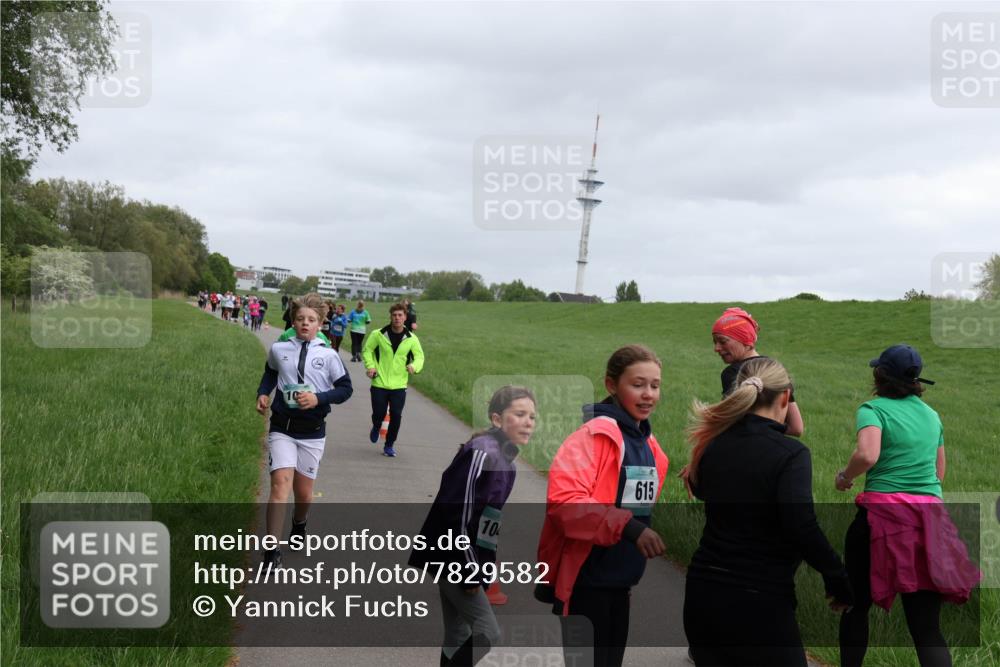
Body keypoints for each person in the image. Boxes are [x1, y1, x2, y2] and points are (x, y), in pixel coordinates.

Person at [682, 356, 852, 666]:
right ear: (785, 396)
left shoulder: (712, 443)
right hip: (758, 600)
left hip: (702, 594)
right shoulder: (791, 454)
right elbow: (800, 523)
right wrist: (837, 577)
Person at [835, 344, 980, 667]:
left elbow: (868, 455)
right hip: (929, 523)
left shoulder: (872, 410)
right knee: (926, 628)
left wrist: (844, 477)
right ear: (916, 379)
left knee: (856, 606)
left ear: (880, 375)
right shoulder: (932, 416)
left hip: (879, 520)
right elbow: (938, 473)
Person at [535, 344, 669, 667]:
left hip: (620, 582)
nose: (648, 394)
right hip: (586, 581)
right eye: (637, 384)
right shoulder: (593, 437)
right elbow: (565, 504)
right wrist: (630, 528)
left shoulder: (647, 443)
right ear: (611, 385)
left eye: (655, 385)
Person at [409, 386, 537, 666]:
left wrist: (485, 567)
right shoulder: (482, 453)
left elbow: (487, 526)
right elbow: (457, 515)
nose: (528, 422)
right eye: (519, 414)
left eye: (532, 416)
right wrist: (469, 570)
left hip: (464, 559)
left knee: (458, 634)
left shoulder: (508, 465)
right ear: (496, 419)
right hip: (451, 557)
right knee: (489, 634)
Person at [255, 293, 353, 568]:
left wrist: (318, 399)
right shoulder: (279, 348)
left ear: (321, 323)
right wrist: (263, 393)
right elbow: (270, 372)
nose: (305, 324)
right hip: (282, 427)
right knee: (279, 485)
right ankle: (271, 551)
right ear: (293, 321)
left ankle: (299, 524)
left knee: (304, 493)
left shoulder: (329, 355)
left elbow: (346, 389)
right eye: (300, 319)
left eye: (311, 320)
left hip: (312, 431)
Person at [711, 306, 804, 436]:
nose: (716, 348)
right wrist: (771, 432)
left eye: (723, 341)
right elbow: (796, 428)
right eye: (714, 342)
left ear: (746, 340)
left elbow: (726, 422)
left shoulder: (733, 373)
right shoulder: (776, 369)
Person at [362, 302, 424, 457]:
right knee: (379, 413)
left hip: (399, 384)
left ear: (405, 317)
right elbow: (367, 350)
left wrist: (414, 367)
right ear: (390, 316)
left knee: (396, 415)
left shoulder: (411, 338)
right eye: (394, 315)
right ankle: (376, 426)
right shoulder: (378, 334)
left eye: (400, 315)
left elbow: (420, 357)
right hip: (379, 381)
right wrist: (370, 366)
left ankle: (389, 444)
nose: (397, 318)